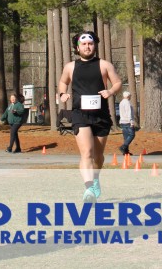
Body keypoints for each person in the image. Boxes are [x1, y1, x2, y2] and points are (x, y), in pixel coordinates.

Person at [57, 31, 122, 202]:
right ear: (77, 47)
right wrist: (62, 94)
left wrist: (110, 91)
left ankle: (95, 179)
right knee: (87, 152)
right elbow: (63, 82)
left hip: (101, 115)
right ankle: (88, 189)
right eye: (84, 44)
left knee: (98, 157)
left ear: (95, 46)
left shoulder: (104, 65)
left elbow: (117, 82)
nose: (87, 47)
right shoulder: (70, 67)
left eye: (90, 44)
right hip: (80, 114)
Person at [118, 91, 136, 156]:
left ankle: (125, 152)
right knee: (132, 134)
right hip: (127, 121)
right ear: (128, 96)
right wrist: (131, 122)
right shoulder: (127, 103)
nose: (130, 97)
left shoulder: (121, 102)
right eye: (130, 96)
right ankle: (123, 146)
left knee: (126, 137)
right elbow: (129, 113)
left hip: (122, 121)